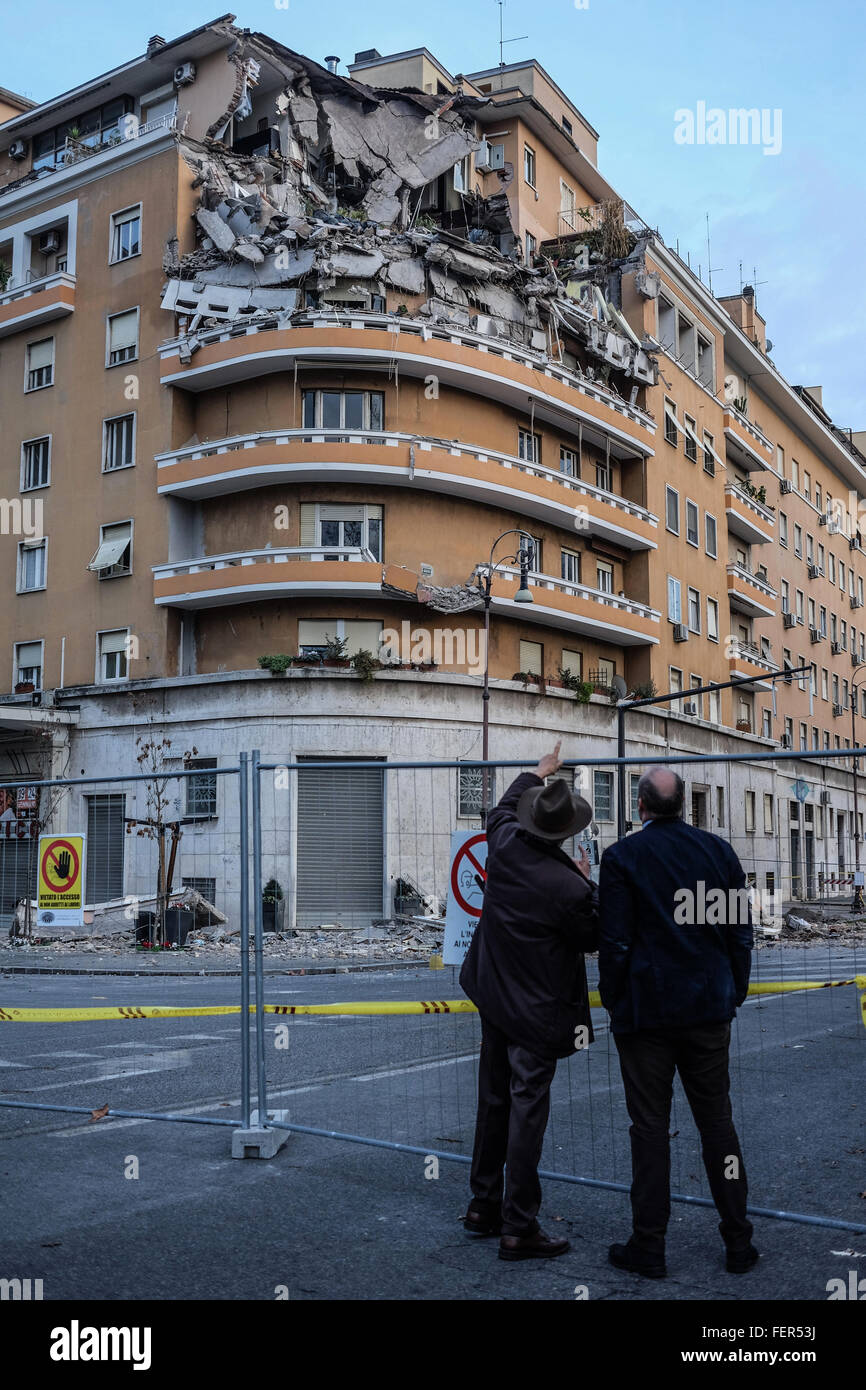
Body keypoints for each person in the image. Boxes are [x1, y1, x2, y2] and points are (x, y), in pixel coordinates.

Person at [598, 766, 757, 1279]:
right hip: (707, 1008)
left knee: (649, 1130)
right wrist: (733, 990)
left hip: (647, 1015)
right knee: (718, 1125)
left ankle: (649, 1243)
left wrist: (614, 998)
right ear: (684, 806)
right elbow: (739, 933)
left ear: (640, 807)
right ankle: (738, 1240)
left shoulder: (622, 857)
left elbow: (616, 941)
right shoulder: (720, 853)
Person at [459, 741, 598, 1261]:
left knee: (493, 1100)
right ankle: (519, 1225)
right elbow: (593, 937)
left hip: (494, 996)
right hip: (538, 1014)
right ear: (566, 834)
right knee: (526, 1110)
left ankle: (482, 1205)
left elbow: (499, 807)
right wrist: (587, 882)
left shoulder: (505, 842)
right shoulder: (569, 886)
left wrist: (537, 773)